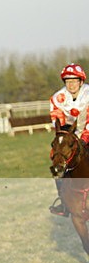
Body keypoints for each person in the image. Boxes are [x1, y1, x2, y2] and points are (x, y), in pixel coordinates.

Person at [48, 63, 89, 217]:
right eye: (67, 81)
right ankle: (64, 202)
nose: (71, 84)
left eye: (74, 80)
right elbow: (58, 122)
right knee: (56, 161)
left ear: (81, 81)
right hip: (70, 134)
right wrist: (66, 139)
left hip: (87, 131)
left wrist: (84, 140)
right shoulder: (57, 98)